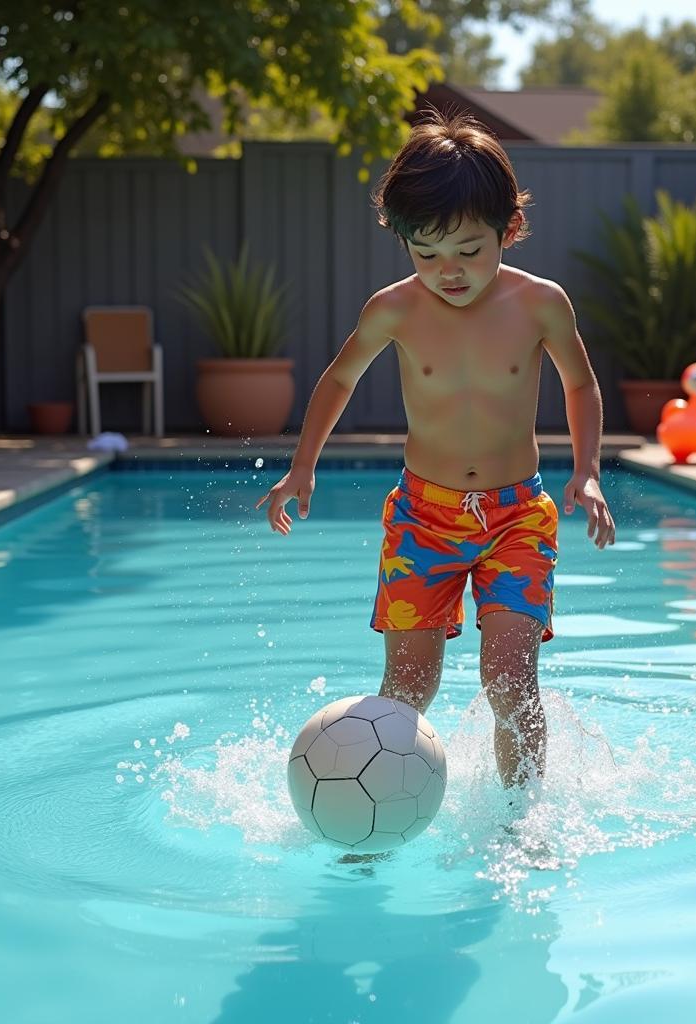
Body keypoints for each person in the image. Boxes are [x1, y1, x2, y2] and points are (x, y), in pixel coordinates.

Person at [256, 111, 615, 788]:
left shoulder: (541, 304)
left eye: (469, 251)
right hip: (423, 518)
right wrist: (302, 467)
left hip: (517, 518)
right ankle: (377, 811)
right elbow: (338, 378)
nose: (448, 272)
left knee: (510, 679)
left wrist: (588, 471)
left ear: (508, 229)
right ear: (402, 241)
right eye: (426, 254)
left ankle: (523, 822)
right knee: (408, 686)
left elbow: (581, 384)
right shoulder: (393, 309)